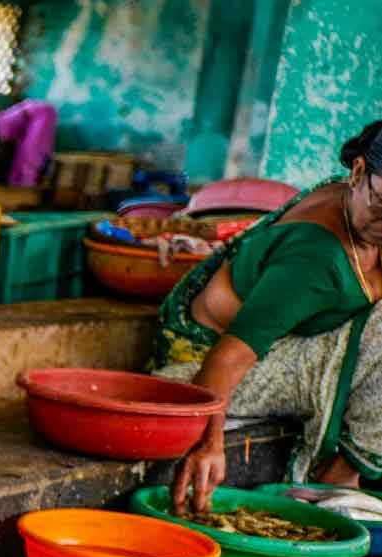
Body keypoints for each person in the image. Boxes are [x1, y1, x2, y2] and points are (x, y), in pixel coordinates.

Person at [160, 121, 382, 511]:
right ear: (359, 172)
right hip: (195, 368)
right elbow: (226, 360)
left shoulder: (356, 207)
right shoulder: (318, 261)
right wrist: (208, 445)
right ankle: (339, 474)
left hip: (274, 348)